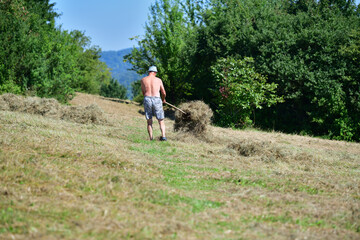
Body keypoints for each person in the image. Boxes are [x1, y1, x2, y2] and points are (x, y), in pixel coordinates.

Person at [141, 66, 167, 141]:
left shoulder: (143, 80)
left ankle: (151, 138)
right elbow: (163, 92)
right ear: (155, 72)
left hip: (147, 99)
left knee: (149, 120)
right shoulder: (158, 80)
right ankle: (163, 136)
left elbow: (143, 92)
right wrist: (163, 99)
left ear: (149, 72)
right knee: (161, 120)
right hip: (157, 99)